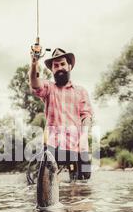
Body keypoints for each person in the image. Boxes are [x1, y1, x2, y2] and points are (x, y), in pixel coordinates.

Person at [29, 47, 93, 180]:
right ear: (52, 69)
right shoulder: (48, 88)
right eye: (56, 66)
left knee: (84, 183)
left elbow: (86, 116)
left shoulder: (81, 91)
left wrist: (84, 136)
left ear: (69, 66)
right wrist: (34, 63)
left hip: (76, 145)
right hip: (53, 146)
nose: (59, 68)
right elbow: (35, 84)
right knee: (40, 183)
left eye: (62, 64)